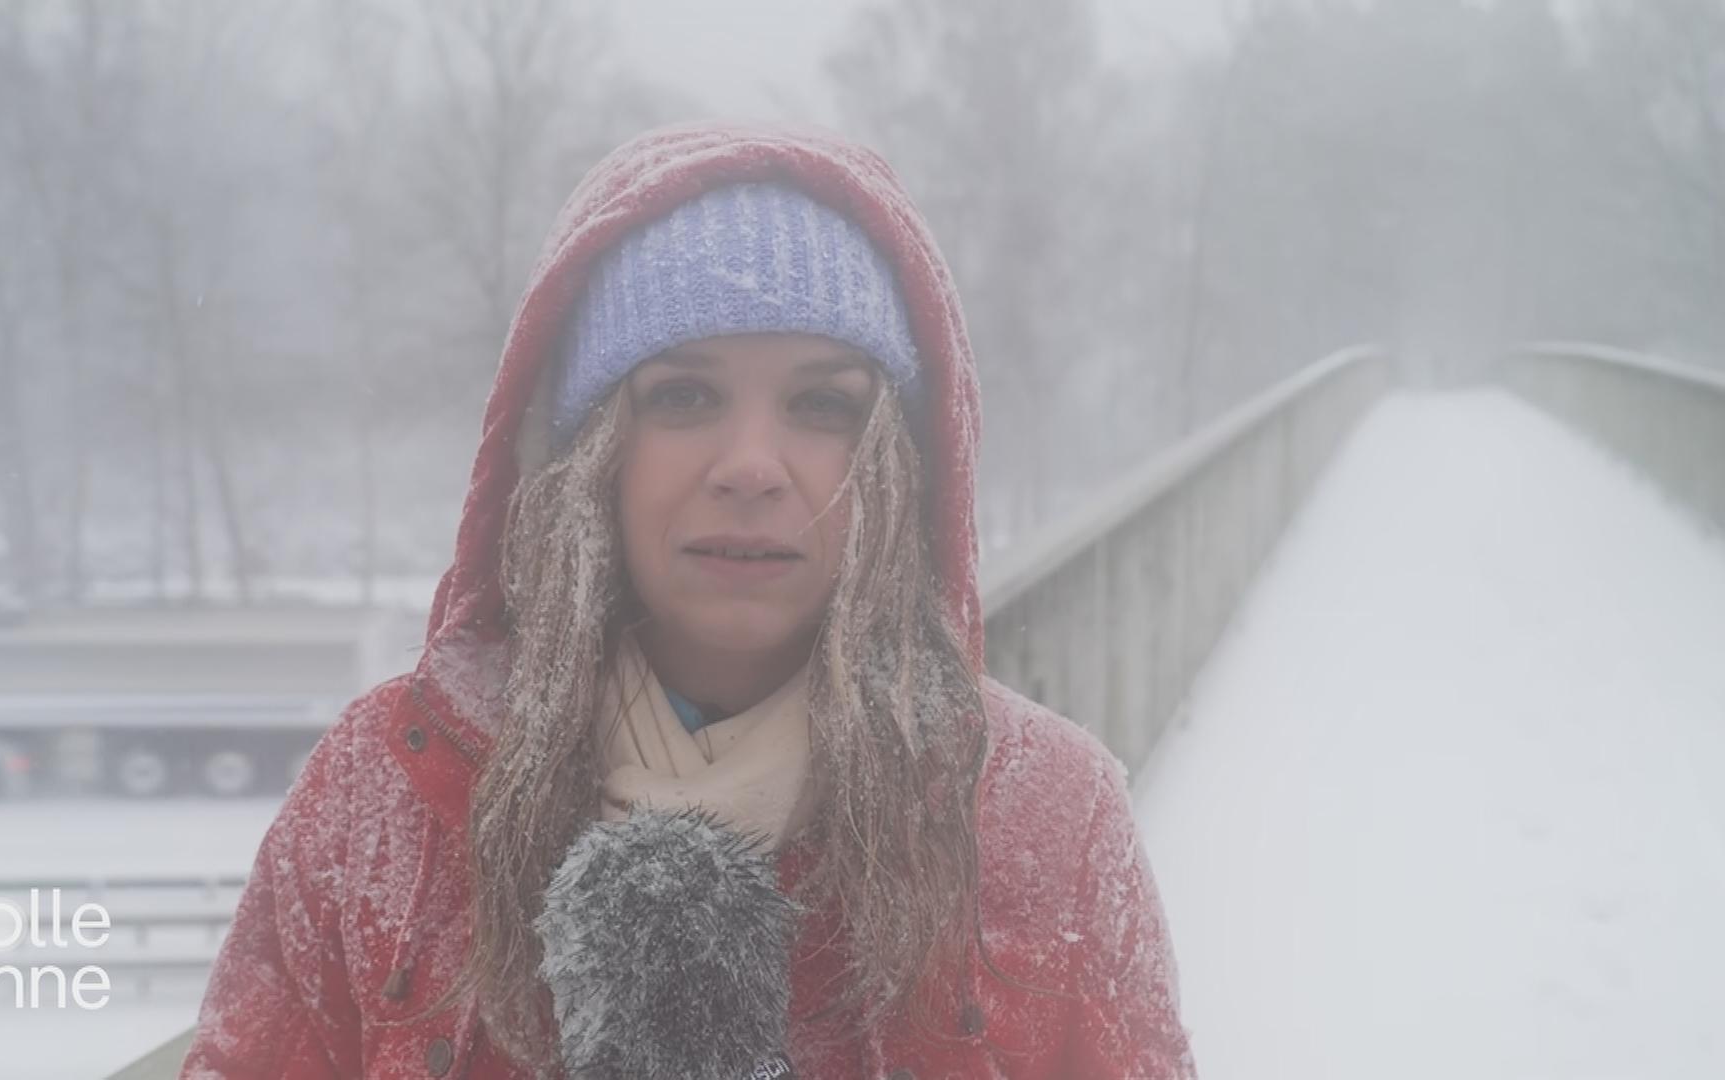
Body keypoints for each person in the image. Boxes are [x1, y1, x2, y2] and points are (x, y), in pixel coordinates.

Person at [181, 120, 1195, 1079]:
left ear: (903, 465)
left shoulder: (1047, 818)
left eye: (822, 405)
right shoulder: (389, 793)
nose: (751, 465)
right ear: (587, 455)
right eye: (682, 396)